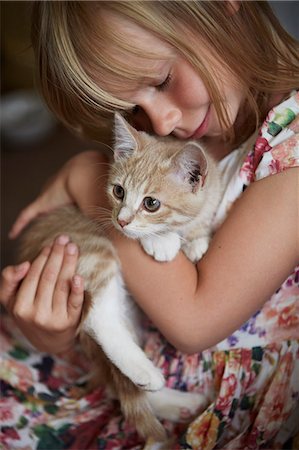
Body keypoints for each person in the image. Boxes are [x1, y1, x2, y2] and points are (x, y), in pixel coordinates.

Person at [1, 1, 298, 448]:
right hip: (118, 355)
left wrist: (86, 175)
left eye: (162, 80)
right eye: (131, 109)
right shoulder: (192, 134)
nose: (161, 122)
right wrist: (57, 332)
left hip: (205, 403)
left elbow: (193, 323)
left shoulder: (290, 157)